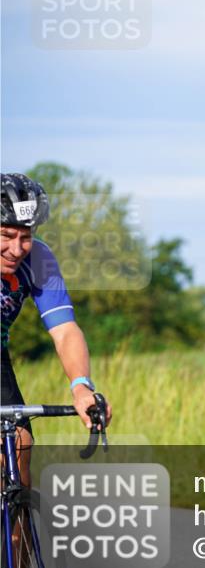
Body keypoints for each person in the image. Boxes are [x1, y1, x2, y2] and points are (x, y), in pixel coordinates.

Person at [1, 172, 112, 491]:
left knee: (17, 446)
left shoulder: (39, 259)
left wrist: (81, 387)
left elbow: (65, 331)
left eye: (26, 236)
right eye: (6, 235)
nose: (17, 248)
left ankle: (17, 536)